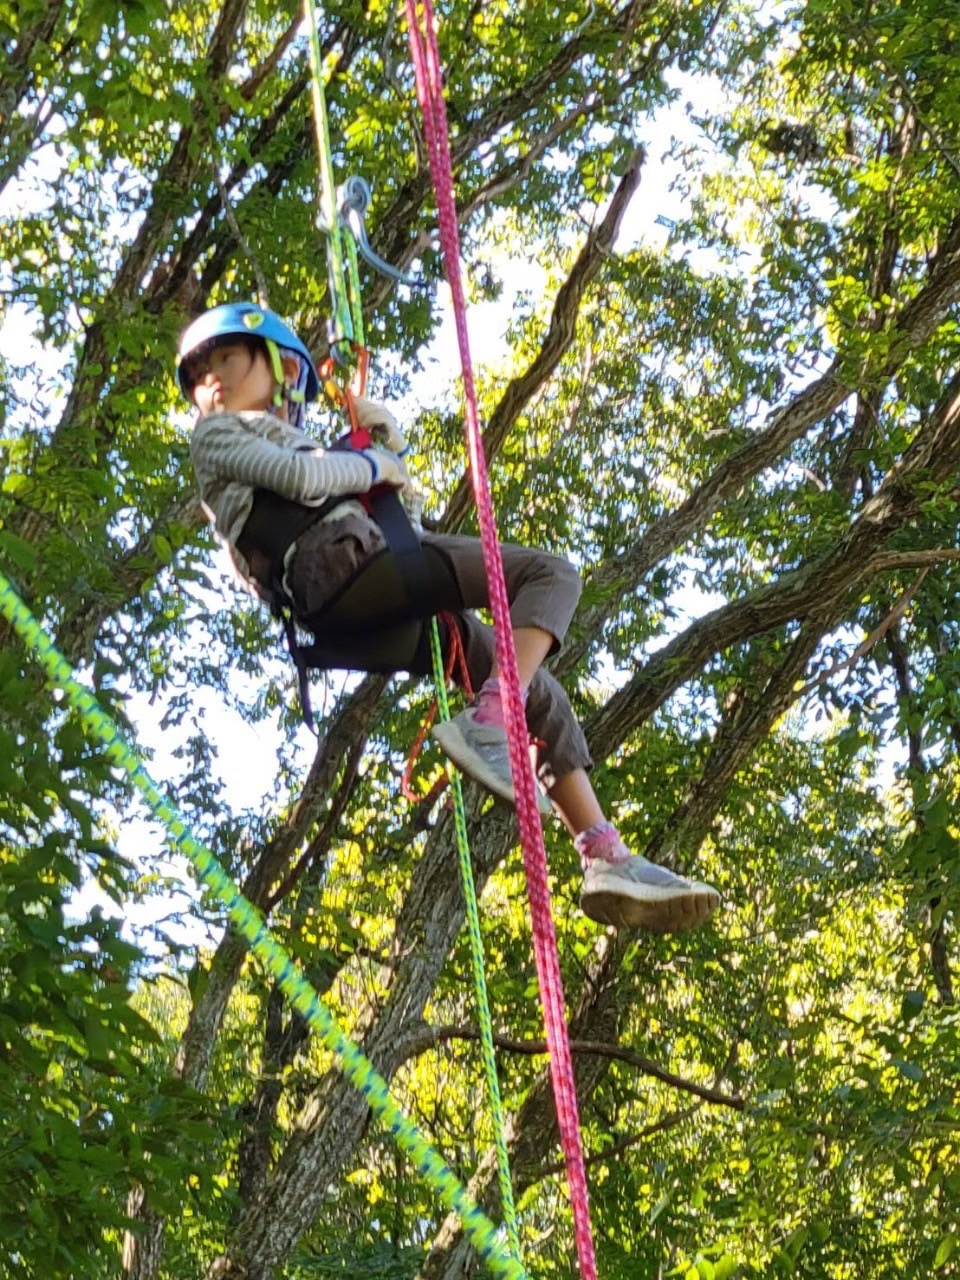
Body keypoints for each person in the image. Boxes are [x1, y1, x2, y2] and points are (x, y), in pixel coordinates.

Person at [178, 301, 720, 934]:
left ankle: (605, 855)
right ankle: (493, 719)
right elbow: (302, 479)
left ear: (278, 368)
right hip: (340, 568)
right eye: (198, 374)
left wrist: (384, 443)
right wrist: (377, 463)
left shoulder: (293, 437)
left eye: (224, 358)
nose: (209, 379)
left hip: (363, 598)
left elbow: (387, 500)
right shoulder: (216, 434)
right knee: (550, 574)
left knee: (539, 692)